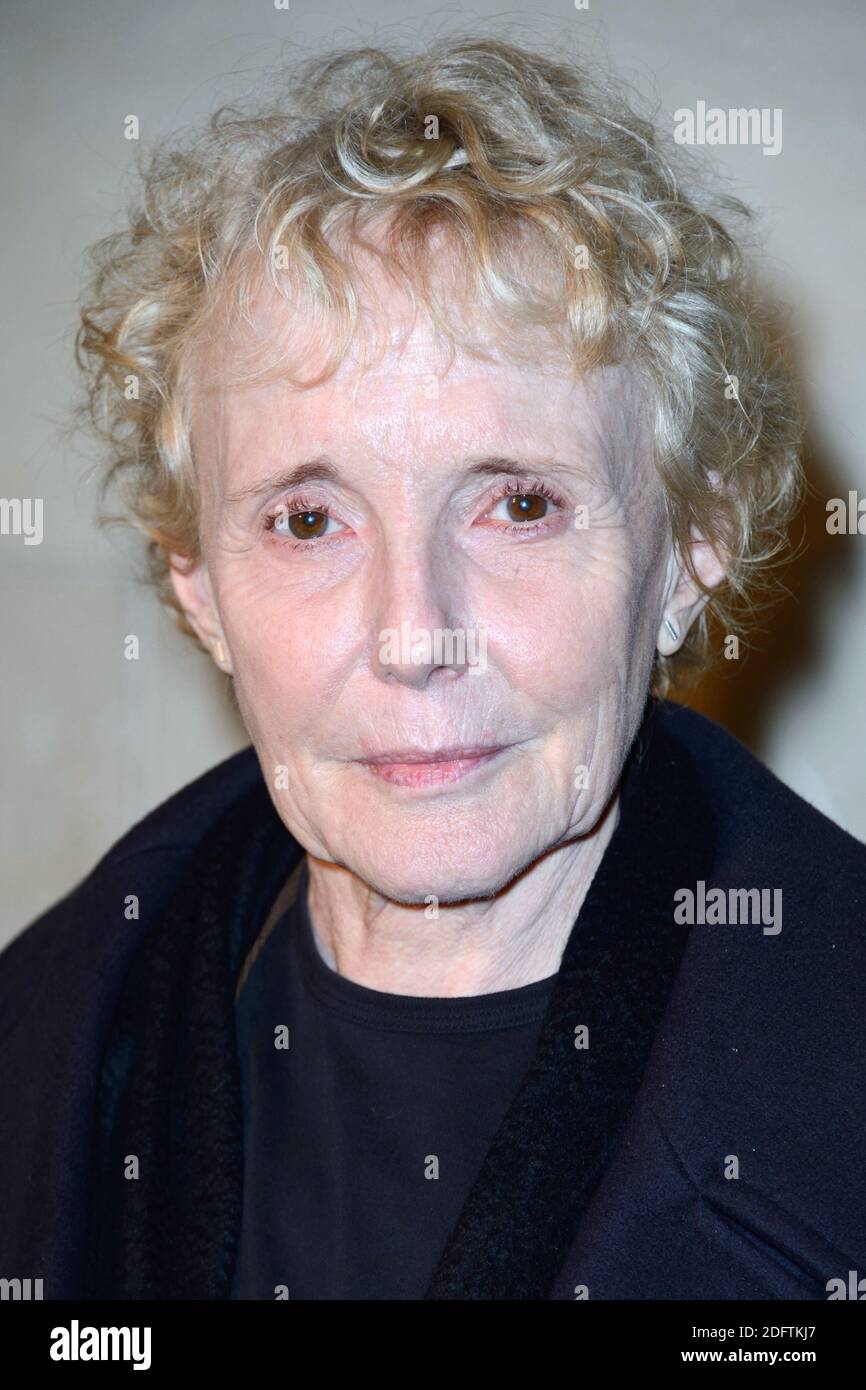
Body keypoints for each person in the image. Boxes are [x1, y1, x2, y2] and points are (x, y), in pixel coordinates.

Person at [2, 35, 864, 1301]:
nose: (413, 635)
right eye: (306, 519)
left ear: (688, 550)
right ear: (197, 585)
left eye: (516, 504)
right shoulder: (38, 1044)